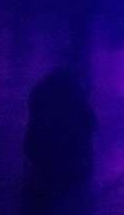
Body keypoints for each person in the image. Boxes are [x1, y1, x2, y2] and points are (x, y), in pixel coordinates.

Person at [23, 68, 96, 198]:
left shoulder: (41, 93)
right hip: (68, 165)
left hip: (46, 161)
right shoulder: (75, 96)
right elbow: (90, 124)